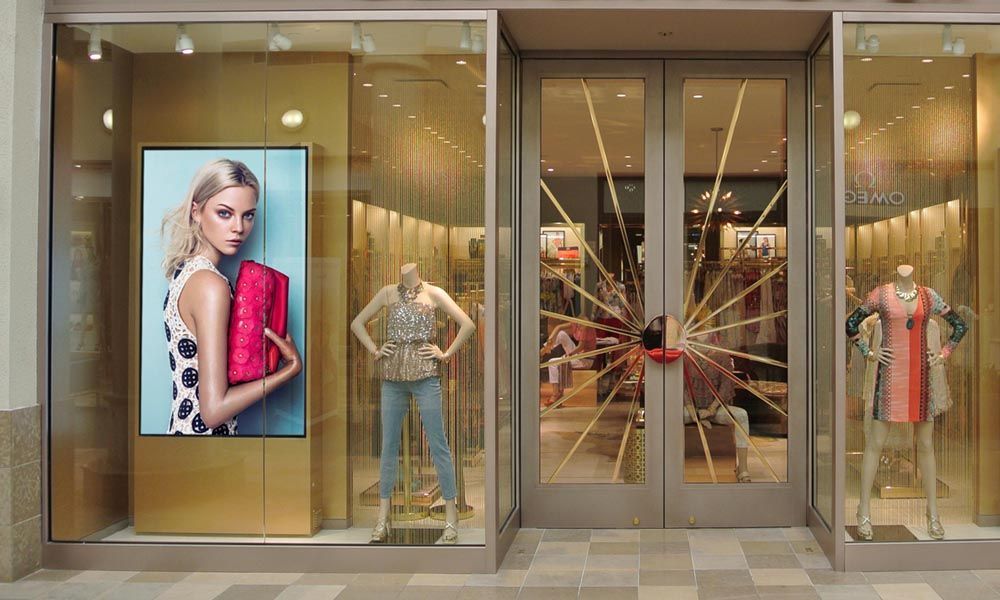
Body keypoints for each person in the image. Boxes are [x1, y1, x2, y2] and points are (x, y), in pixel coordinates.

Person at [160, 159, 302, 435]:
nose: (239, 227)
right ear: (197, 211)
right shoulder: (210, 286)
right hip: (205, 449)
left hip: (184, 439)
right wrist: (290, 369)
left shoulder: (187, 273)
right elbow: (213, 412)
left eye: (248, 215)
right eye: (225, 213)